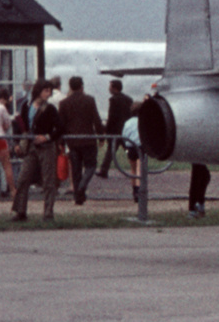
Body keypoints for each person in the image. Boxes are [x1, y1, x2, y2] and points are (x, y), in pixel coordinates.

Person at [10, 80, 63, 221]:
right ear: (38, 91)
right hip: (31, 146)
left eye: (50, 91)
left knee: (48, 180)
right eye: (46, 90)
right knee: (23, 178)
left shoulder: (50, 108)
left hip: (46, 147)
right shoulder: (26, 106)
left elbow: (59, 128)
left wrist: (47, 137)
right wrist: (18, 142)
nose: (49, 93)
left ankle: (48, 213)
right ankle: (20, 211)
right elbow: (19, 126)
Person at [58, 76, 104, 205]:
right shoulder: (89, 100)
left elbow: (61, 124)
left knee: (76, 169)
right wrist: (101, 136)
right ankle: (82, 187)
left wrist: (61, 142)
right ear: (82, 86)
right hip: (88, 139)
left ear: (70, 87)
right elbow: (96, 120)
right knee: (91, 166)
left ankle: (78, 197)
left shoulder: (64, 103)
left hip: (72, 141)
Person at [98, 79, 134, 178]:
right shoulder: (128, 99)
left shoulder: (113, 100)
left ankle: (104, 170)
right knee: (130, 150)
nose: (109, 89)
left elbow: (112, 117)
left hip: (115, 131)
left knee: (110, 151)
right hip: (126, 130)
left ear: (114, 88)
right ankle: (138, 169)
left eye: (110, 87)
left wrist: (106, 130)